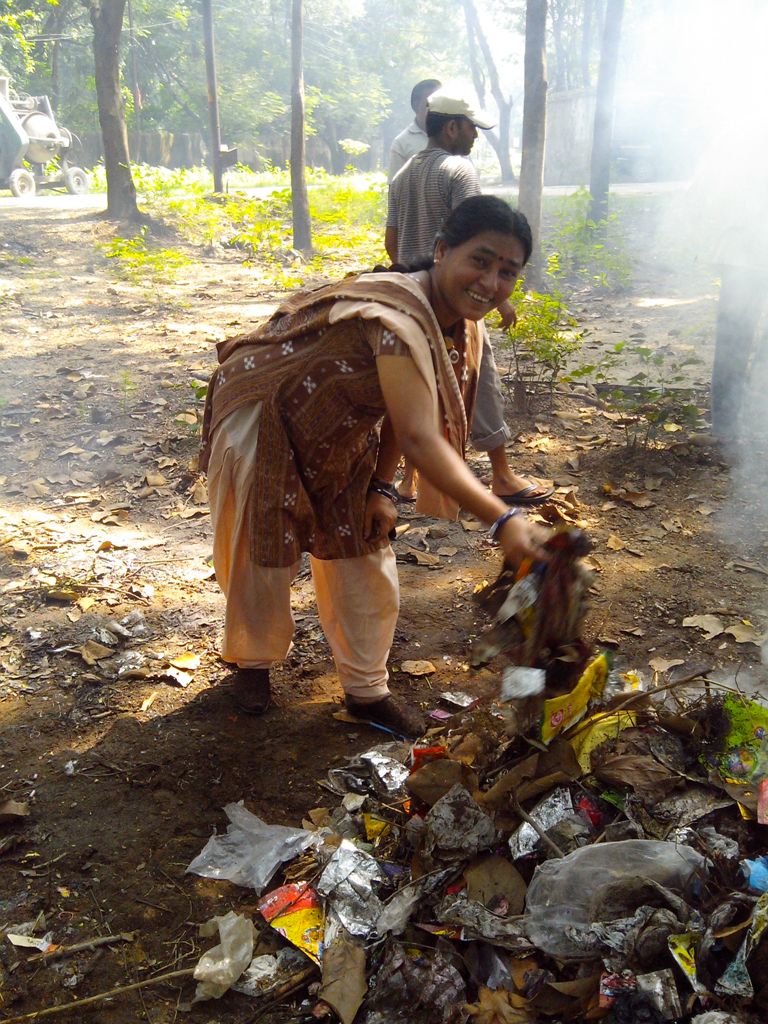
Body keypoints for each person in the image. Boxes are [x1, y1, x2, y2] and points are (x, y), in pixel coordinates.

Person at [201, 196, 548, 739]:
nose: (491, 282)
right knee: (259, 551)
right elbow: (419, 436)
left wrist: (381, 487)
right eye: (480, 261)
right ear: (441, 250)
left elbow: (400, 416)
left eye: (508, 271)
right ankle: (252, 664)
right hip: (262, 410)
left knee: (362, 543)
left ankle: (367, 691)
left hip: (343, 418)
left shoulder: (455, 322)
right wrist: (503, 519)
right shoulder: (396, 317)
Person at [386, 87, 553, 507]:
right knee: (480, 377)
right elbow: (485, 239)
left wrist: (417, 272)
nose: (476, 137)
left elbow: (391, 241)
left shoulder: (403, 173)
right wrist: (498, 297)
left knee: (417, 383)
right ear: (452, 127)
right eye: (471, 129)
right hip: (455, 297)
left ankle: (408, 481)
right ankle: (502, 475)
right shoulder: (458, 170)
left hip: (414, 295)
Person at [388, 78, 442, 181]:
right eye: (432, 103)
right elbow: (394, 186)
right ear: (416, 106)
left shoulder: (453, 136)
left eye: (441, 103)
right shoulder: (402, 143)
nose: (438, 108)